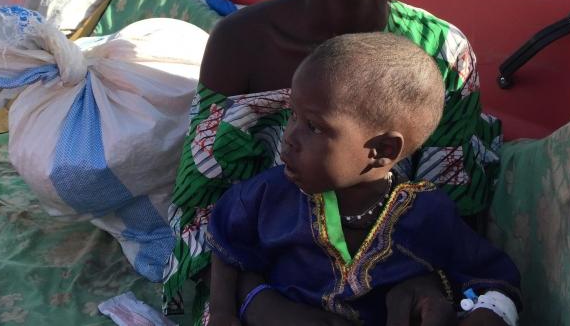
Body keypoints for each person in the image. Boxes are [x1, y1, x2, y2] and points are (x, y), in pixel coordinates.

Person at [163, 0, 502, 325]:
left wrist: (418, 283)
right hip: (254, 270)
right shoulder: (240, 41)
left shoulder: (442, 52)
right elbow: (203, 208)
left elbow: (456, 208)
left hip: (395, 271)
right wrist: (249, 299)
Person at [207, 32, 521, 326]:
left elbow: (492, 279)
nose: (288, 137)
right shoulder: (270, 193)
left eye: (314, 127)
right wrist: (223, 314)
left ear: (381, 150)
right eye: (293, 115)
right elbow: (226, 247)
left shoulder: (427, 214)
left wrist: (487, 313)